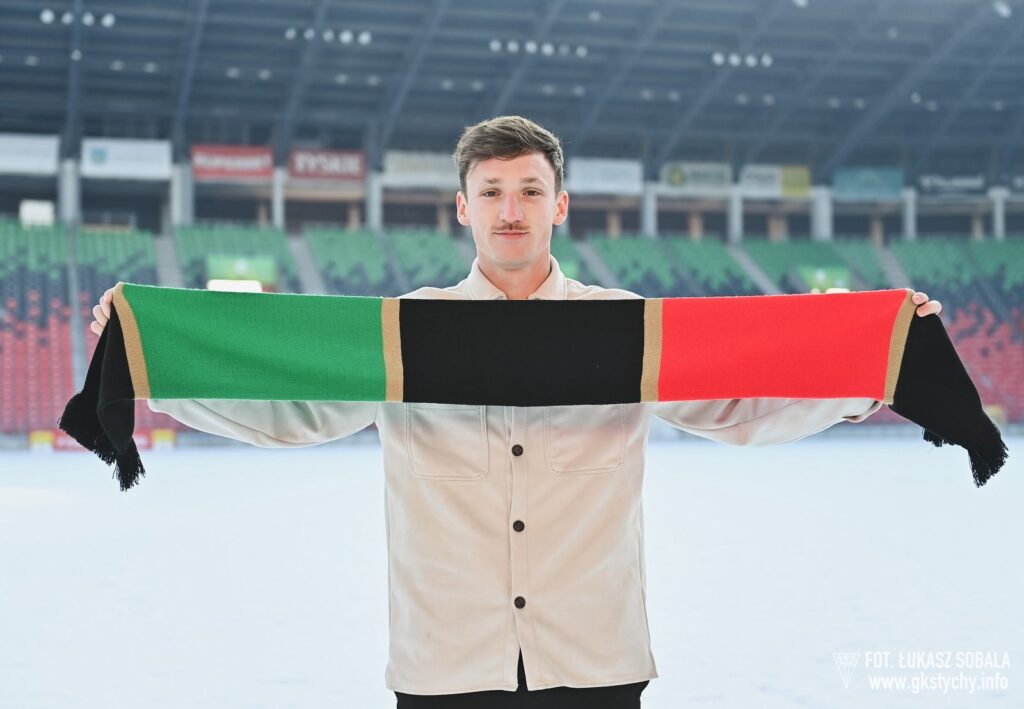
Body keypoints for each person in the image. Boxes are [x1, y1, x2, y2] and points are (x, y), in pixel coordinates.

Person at [90, 116, 942, 708]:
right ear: (463, 206)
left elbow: (737, 406)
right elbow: (292, 412)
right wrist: (148, 369)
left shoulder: (625, 327)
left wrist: (874, 368)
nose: (510, 209)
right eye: (491, 190)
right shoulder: (402, 330)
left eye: (531, 190)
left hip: (595, 660)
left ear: (559, 206)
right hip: (446, 665)